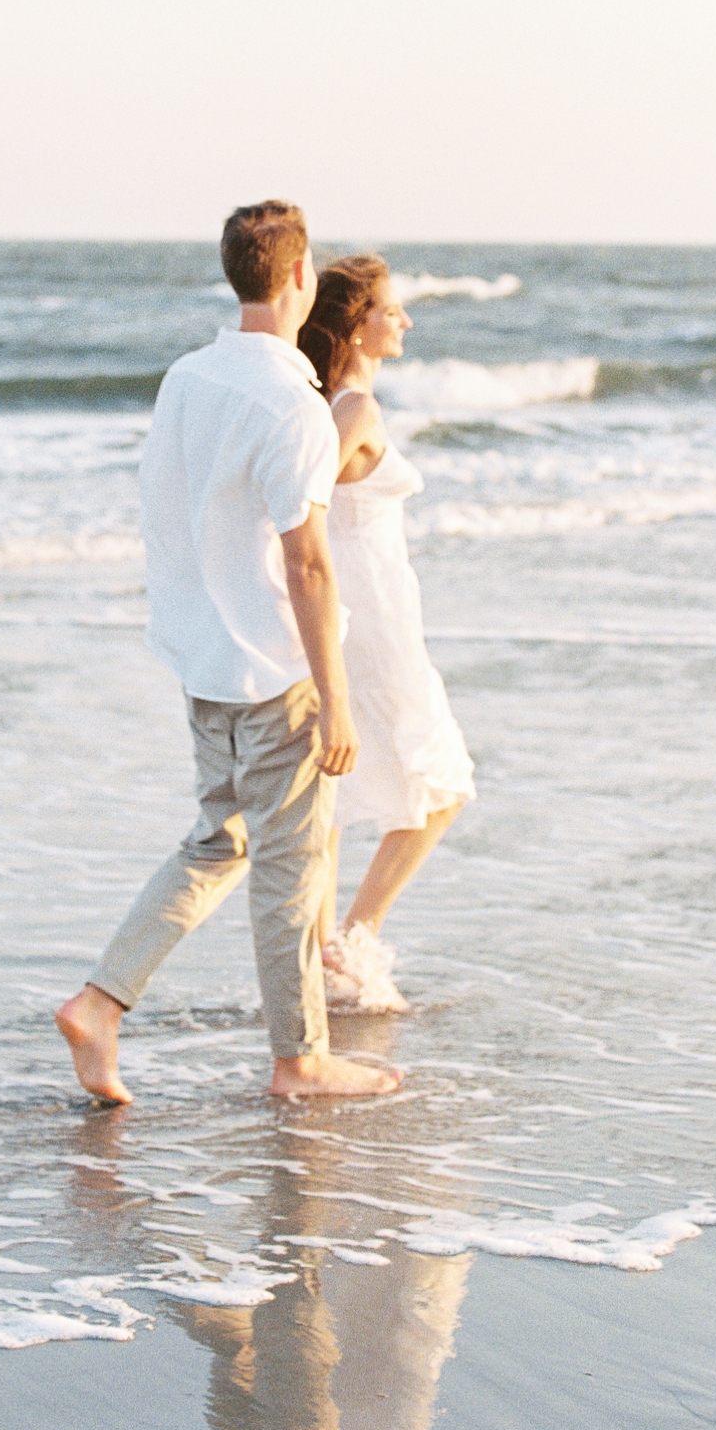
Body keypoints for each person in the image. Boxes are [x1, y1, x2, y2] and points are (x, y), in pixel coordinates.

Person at [55, 203, 402, 1102]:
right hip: (272, 667)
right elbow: (309, 562)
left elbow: (164, 508)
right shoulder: (292, 404)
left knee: (221, 841)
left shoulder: (187, 378)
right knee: (293, 866)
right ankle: (301, 1060)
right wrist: (337, 698)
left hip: (203, 658)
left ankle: (99, 1005)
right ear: (297, 278)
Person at [297, 256, 476, 1012]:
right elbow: (300, 502)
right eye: (391, 309)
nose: (404, 321)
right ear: (354, 323)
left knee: (339, 796)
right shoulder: (352, 411)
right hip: (371, 616)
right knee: (442, 784)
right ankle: (353, 942)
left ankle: (320, 964)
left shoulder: (336, 404)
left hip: (366, 604)